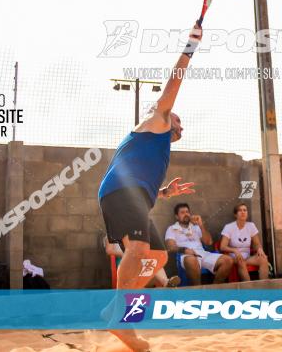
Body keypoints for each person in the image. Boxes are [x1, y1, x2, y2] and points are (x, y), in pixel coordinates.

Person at [97, 23, 200, 352]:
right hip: (120, 193)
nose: (179, 124)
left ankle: (116, 310)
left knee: (156, 257)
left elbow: (138, 181)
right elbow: (172, 88)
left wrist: (165, 193)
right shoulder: (158, 121)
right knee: (140, 251)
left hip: (131, 196)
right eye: (177, 120)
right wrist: (189, 49)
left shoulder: (155, 148)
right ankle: (121, 318)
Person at [165, 203, 233, 285]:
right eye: (182, 212)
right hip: (186, 255)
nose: (186, 214)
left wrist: (201, 225)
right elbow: (170, 247)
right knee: (191, 260)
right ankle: (198, 289)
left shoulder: (196, 227)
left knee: (228, 260)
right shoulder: (172, 229)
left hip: (203, 254)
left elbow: (209, 242)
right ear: (176, 216)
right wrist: (185, 250)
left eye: (187, 212)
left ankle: (215, 288)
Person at [103, 236, 180, 287]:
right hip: (125, 263)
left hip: (139, 261)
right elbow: (109, 250)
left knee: (154, 261)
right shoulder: (111, 234)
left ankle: (166, 282)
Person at [219, 203, 269, 281]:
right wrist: (235, 250)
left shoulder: (251, 226)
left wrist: (259, 248)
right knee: (241, 262)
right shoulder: (229, 227)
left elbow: (256, 243)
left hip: (247, 257)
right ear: (235, 214)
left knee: (263, 259)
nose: (243, 212)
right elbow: (222, 246)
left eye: (245, 210)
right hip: (234, 258)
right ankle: (249, 289)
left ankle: (264, 287)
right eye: (240, 210)